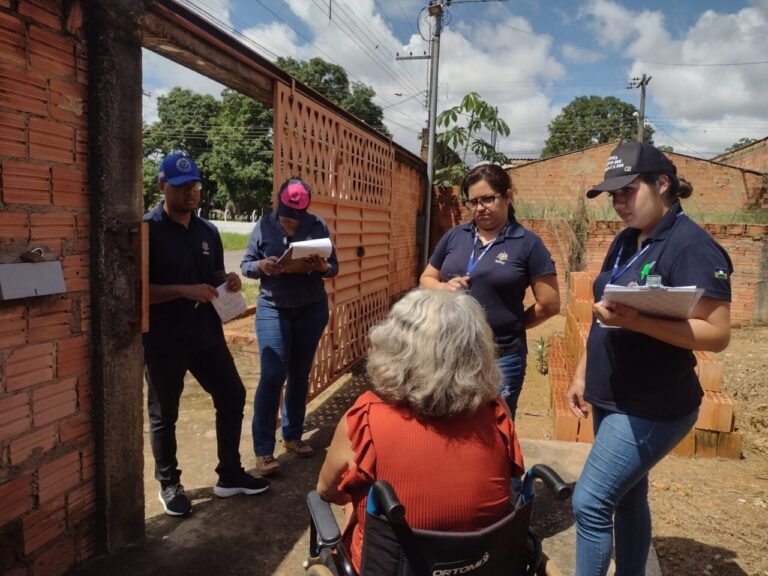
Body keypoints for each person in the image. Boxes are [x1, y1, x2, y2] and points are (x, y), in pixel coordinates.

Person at [566, 142, 732, 576]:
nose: (619, 203)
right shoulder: (626, 241)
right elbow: (605, 314)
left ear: (663, 184)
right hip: (613, 393)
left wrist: (639, 322)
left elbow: (716, 335)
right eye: (613, 195)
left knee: (591, 501)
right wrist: (583, 374)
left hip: (651, 404)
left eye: (628, 191)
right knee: (628, 497)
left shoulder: (692, 246)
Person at [316, 289, 525, 573]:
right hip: (483, 564)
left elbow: (327, 491)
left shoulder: (367, 417)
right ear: (477, 351)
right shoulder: (497, 413)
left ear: (395, 346)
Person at [143, 152, 270, 517]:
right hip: (165, 339)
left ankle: (229, 473)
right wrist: (184, 290)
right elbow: (140, 293)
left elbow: (213, 274)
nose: (191, 194)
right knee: (164, 414)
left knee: (232, 394)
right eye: (183, 187)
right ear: (162, 186)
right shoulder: (147, 231)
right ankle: (169, 483)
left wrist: (226, 280)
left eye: (195, 186)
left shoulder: (207, 231)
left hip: (206, 334)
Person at [420, 163, 560, 416]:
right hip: (449, 352)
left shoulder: (528, 244)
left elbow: (549, 304)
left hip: (500, 356)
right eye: (473, 202)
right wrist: (443, 286)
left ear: (507, 196)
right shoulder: (455, 236)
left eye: (487, 199)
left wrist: (513, 325)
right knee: (450, 422)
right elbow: (426, 278)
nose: (480, 208)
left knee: (496, 428)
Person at [240, 177, 338, 476]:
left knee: (299, 373)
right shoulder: (264, 225)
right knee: (272, 374)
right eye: (286, 216)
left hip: (310, 308)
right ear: (278, 205)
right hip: (273, 307)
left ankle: (293, 436)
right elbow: (245, 265)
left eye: (296, 218)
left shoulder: (318, 226)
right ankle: (263, 450)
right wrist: (261, 266)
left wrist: (322, 267)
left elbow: (334, 266)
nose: (291, 223)